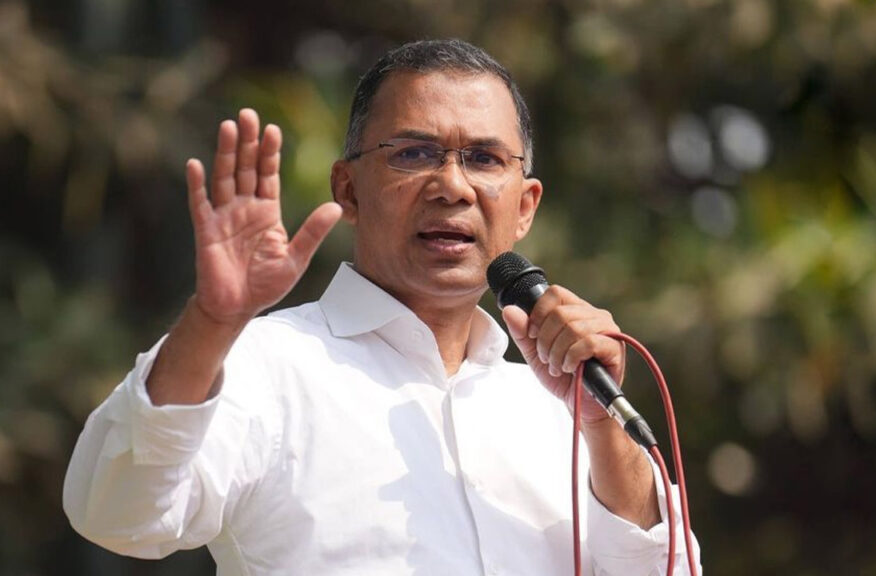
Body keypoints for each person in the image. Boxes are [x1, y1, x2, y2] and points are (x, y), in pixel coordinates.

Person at [63, 39, 701, 575]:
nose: (452, 186)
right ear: (349, 189)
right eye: (414, 154)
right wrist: (212, 321)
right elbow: (119, 514)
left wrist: (600, 427)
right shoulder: (265, 366)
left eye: (483, 159)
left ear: (525, 206)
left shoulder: (556, 402)